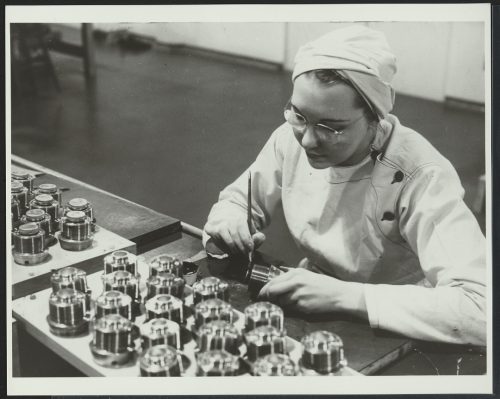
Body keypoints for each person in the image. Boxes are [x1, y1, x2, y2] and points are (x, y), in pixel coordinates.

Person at [203, 25, 486, 346]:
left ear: (374, 118)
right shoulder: (289, 138)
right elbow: (240, 200)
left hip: (398, 316)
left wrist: (348, 297)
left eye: (331, 127)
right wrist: (231, 220)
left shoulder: (420, 174)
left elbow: (482, 308)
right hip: (314, 292)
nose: (308, 140)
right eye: (298, 115)